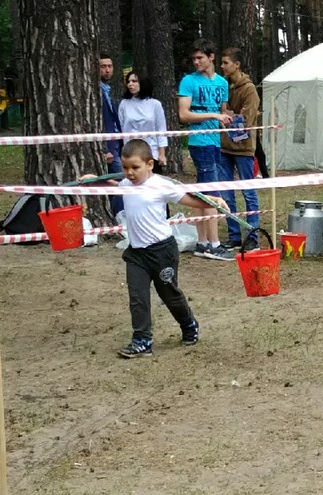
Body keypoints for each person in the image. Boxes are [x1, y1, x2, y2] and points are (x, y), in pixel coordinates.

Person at [89, 140, 225, 359]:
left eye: (135, 167)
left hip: (162, 252)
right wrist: (92, 182)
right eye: (125, 168)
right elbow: (114, 186)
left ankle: (189, 324)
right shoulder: (126, 184)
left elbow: (192, 200)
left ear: (150, 164)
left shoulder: (161, 185)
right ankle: (142, 341)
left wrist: (213, 200)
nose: (130, 173)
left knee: (169, 294)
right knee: (138, 297)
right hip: (137, 254)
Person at [177, 39, 235, 261]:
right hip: (199, 143)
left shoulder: (222, 83)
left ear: (211, 57)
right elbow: (184, 115)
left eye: (200, 57)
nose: (196, 62)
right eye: (194, 58)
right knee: (212, 194)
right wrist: (213, 116)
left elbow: (223, 112)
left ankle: (203, 243)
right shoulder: (188, 81)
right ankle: (213, 244)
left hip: (215, 142)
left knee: (202, 193)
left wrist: (231, 122)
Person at [218, 47, 262, 248]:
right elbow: (222, 114)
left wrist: (228, 116)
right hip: (225, 148)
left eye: (226, 62)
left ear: (237, 65)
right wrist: (227, 115)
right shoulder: (225, 87)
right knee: (227, 193)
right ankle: (234, 235)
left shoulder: (249, 89)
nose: (222, 66)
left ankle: (252, 236)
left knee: (248, 192)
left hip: (243, 149)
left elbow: (244, 121)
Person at [118, 72, 169, 164]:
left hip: (151, 152)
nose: (130, 84)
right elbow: (121, 127)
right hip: (130, 152)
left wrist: (161, 154)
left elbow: (161, 130)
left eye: (134, 81)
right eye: (128, 81)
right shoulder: (124, 104)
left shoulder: (155, 104)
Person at [98, 53, 125, 216]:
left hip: (116, 145)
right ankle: (119, 214)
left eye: (110, 66)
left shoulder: (107, 91)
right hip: (108, 147)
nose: (107, 70)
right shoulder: (97, 92)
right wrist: (105, 148)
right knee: (121, 182)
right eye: (103, 66)